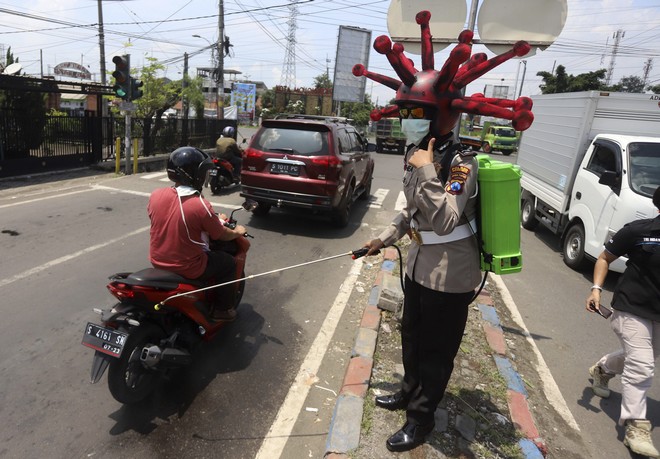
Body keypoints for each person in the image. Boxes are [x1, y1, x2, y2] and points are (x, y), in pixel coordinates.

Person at [363, 104, 482, 452]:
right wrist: (384, 238)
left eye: (417, 113)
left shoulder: (462, 162)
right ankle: (409, 391)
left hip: (449, 274)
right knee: (412, 335)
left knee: (435, 351)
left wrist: (427, 169)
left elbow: (446, 220)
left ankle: (421, 419)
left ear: (443, 115)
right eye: (406, 112)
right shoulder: (416, 153)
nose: (408, 121)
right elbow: (411, 211)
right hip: (418, 265)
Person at [586, 185, 660, 458]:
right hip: (631, 307)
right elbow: (604, 258)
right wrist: (596, 289)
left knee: (643, 357)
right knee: (641, 365)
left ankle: (602, 369)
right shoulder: (639, 231)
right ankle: (636, 426)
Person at [148, 146, 247, 321]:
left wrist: (214, 218)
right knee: (228, 263)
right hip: (189, 267)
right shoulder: (199, 204)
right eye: (203, 172)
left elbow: (177, 218)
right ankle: (222, 310)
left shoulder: (156, 195)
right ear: (195, 174)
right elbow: (220, 235)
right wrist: (237, 231)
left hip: (157, 261)